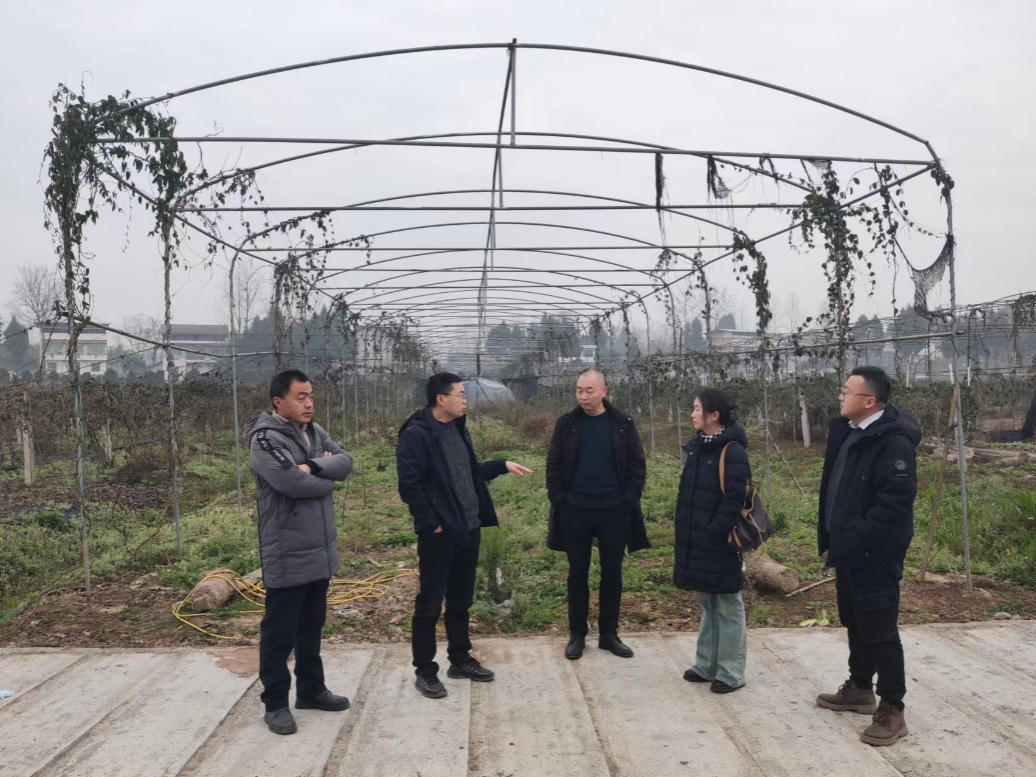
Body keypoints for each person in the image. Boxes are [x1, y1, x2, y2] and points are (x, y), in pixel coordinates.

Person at [397, 372, 533, 699]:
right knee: (430, 603)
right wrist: (433, 524)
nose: (465, 400)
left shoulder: (457, 427)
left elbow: (469, 474)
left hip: (469, 528)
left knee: (461, 599)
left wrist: (500, 465)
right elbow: (410, 486)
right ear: (441, 399)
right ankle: (425, 671)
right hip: (440, 534)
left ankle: (460, 659)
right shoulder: (417, 434)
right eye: (460, 394)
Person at [244, 369, 355, 735]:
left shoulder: (314, 430)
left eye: (310, 396)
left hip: (319, 548)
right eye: (300, 397)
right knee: (280, 632)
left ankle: (311, 690)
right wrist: (326, 478)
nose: (309, 403)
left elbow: (346, 461)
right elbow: (292, 482)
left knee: (311, 625)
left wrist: (315, 465)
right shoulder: (265, 439)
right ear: (279, 402)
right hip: (287, 549)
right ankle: (276, 702)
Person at [815, 366, 920, 747]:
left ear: (870, 401)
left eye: (848, 391)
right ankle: (860, 686)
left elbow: (894, 505)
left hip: (874, 553)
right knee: (855, 621)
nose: (841, 396)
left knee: (880, 630)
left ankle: (892, 707)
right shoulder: (851, 432)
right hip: (848, 548)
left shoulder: (893, 442)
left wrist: (857, 537)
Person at [546, 369, 649, 660]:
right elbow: (553, 465)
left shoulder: (622, 423)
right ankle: (577, 634)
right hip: (576, 511)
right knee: (577, 574)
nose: (583, 396)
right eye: (579, 390)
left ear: (604, 391)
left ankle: (609, 634)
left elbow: (637, 464)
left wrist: (627, 500)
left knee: (612, 573)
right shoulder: (567, 424)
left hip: (613, 511)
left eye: (589, 390)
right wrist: (561, 501)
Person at [673, 388, 751, 694]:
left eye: (696, 409)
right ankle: (706, 664)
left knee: (728, 602)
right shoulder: (698, 448)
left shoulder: (733, 450)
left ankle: (731, 672)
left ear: (714, 415)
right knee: (706, 600)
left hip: (719, 540)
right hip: (697, 538)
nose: (692, 414)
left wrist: (715, 531)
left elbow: (734, 498)